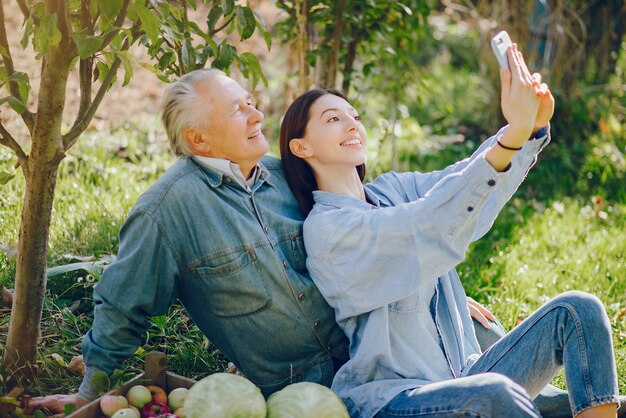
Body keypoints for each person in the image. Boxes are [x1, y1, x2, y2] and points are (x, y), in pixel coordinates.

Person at [29, 68, 621, 418]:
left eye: (252, 100)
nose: (255, 110)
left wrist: (528, 133)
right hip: (319, 393)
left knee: (572, 357)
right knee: (497, 398)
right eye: (238, 108)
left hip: (396, 353)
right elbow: (122, 302)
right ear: (197, 137)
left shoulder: (291, 182)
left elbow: (432, 204)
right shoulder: (170, 210)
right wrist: (90, 393)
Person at [279, 44, 620, 418]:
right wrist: (512, 136)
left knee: (578, 310)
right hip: (399, 399)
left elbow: (464, 183)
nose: (352, 125)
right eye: (332, 119)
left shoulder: (394, 189)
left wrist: (528, 130)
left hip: (468, 375)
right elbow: (427, 225)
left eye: (354, 115)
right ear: (301, 146)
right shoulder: (327, 230)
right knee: (494, 394)